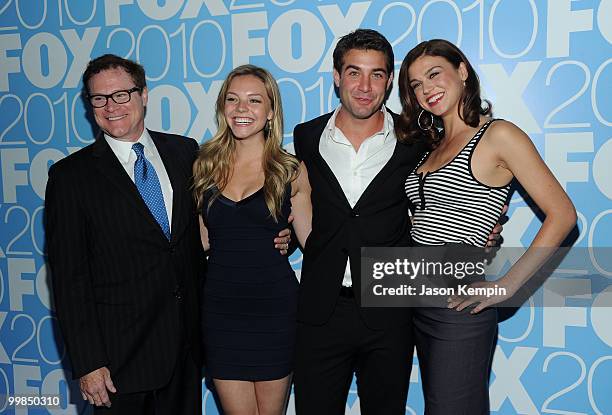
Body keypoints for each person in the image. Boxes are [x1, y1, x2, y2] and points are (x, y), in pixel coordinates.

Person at [397, 39, 577, 414]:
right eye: (415, 85)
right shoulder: (433, 146)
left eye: (434, 74)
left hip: (456, 306)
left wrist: (507, 286)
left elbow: (563, 214)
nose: (426, 89)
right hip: (411, 298)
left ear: (462, 71)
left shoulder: (498, 135)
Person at [45, 54, 205, 414]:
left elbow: (199, 233)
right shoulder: (71, 178)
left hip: (185, 353)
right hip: (118, 364)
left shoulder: (184, 151)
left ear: (144, 95)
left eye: (121, 94)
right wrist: (87, 363)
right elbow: (70, 279)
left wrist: (276, 234)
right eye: (99, 98)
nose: (110, 106)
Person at [192, 64, 311, 415]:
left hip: (275, 312)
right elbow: (198, 243)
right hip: (221, 313)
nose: (242, 109)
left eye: (254, 100)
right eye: (233, 99)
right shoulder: (203, 166)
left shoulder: (290, 170)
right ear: (222, 107)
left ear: (271, 110)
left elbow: (315, 243)